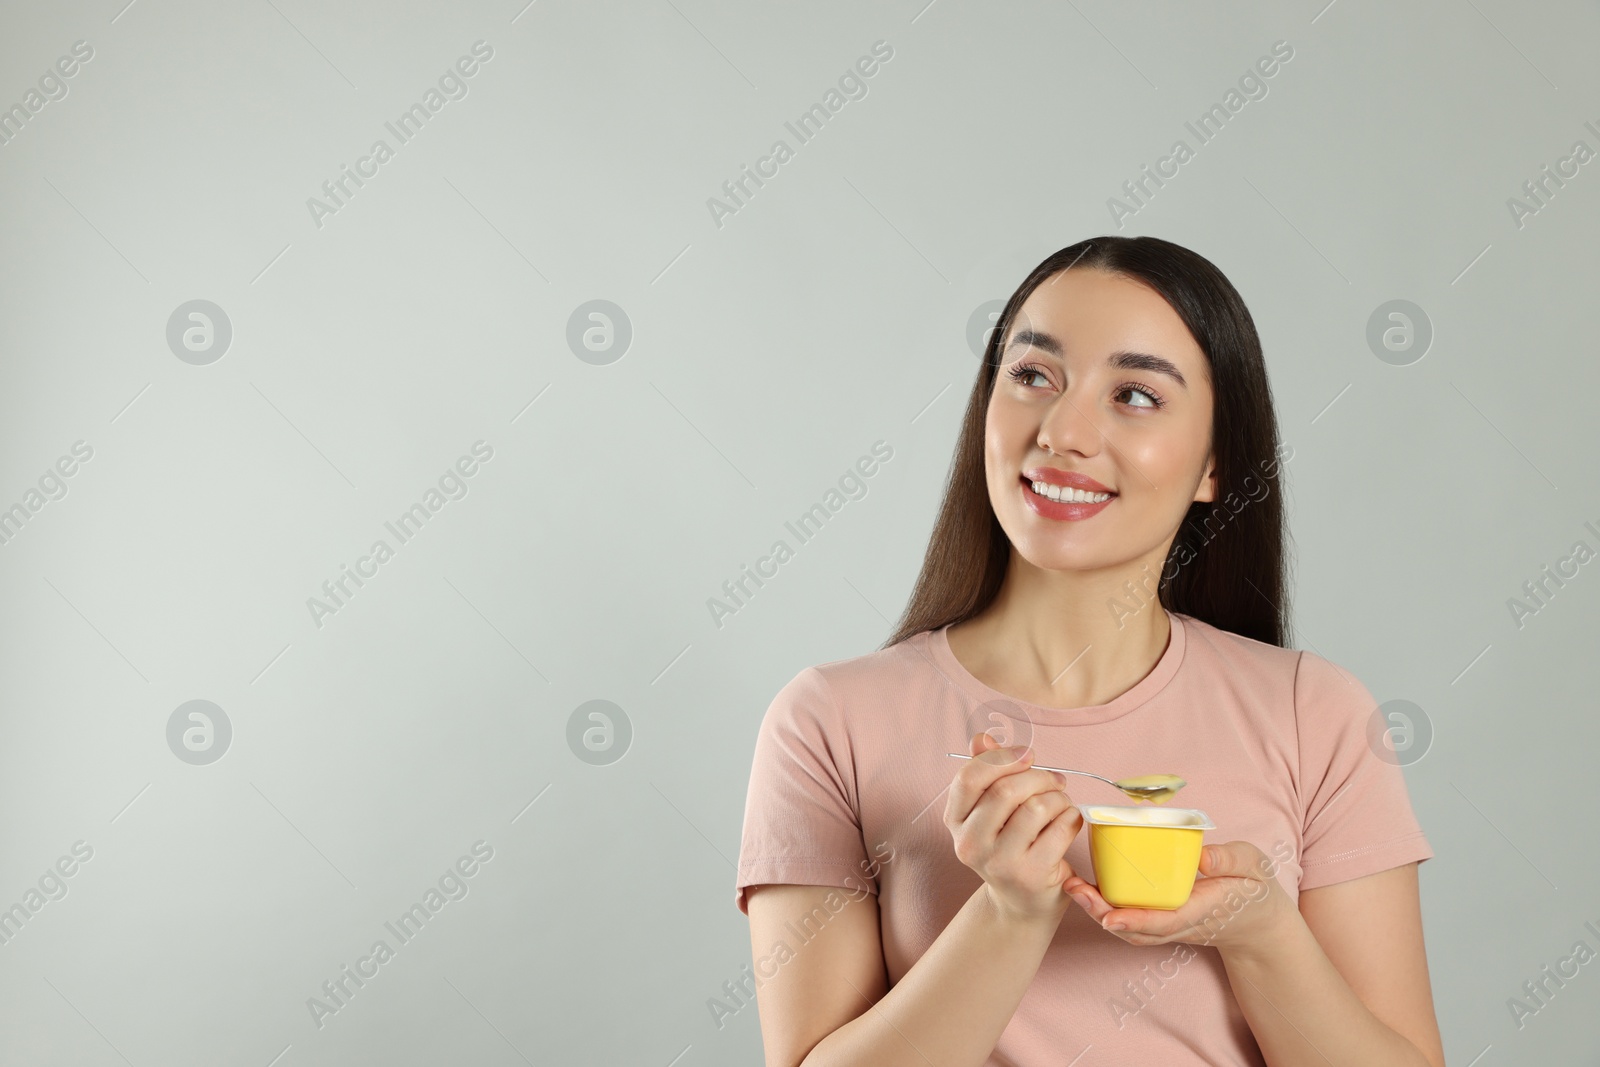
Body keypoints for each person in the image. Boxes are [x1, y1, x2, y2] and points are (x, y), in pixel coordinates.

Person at [733, 236, 1444, 1066]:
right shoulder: (828, 722)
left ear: (1217, 464)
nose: (1064, 432)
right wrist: (1008, 914)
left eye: (1135, 394)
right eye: (1033, 376)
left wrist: (1263, 936)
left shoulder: (1313, 713)